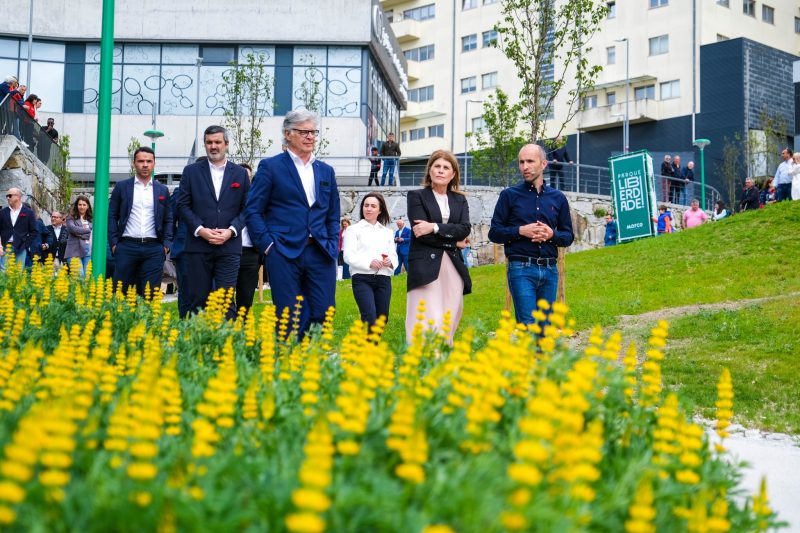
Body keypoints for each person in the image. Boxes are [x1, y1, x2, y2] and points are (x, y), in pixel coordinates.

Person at [245, 110, 340, 336]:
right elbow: (253, 210)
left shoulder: (326, 171)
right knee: (289, 314)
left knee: (324, 311)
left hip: (320, 251)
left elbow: (333, 213)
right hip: (283, 251)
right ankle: (289, 362)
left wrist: (332, 241)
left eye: (313, 132)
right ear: (288, 134)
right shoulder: (271, 167)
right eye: (303, 132)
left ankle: (314, 359)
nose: (310, 137)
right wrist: (268, 246)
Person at [489, 144, 574, 326]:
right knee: (528, 326)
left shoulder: (558, 198)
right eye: (521, 162)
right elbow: (494, 233)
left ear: (543, 164)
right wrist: (520, 231)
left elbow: (568, 237)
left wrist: (552, 234)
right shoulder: (509, 196)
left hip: (550, 270)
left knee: (545, 329)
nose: (524, 167)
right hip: (521, 269)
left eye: (530, 161)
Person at [176, 125, 250, 318]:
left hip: (229, 246)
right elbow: (183, 206)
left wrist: (231, 230)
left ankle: (228, 344)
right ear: (205, 144)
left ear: (226, 144)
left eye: (218, 142)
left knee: (226, 301)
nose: (213, 146)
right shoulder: (191, 172)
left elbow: (248, 208)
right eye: (209, 142)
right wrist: (200, 230)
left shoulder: (240, 174)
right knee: (197, 301)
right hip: (198, 246)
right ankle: (197, 344)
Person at [406, 150, 472, 343]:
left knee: (449, 316)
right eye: (437, 166)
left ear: (453, 174)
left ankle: (442, 361)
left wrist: (434, 226)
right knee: (426, 317)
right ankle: (421, 362)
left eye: (446, 168)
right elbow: (420, 234)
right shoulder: (416, 196)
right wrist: (453, 241)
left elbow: (464, 229)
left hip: (452, 266)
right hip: (425, 267)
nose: (441, 171)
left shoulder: (460, 199)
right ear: (430, 171)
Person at [108, 146, 173, 297]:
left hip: (154, 249)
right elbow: (112, 216)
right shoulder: (122, 187)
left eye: (149, 161)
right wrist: (114, 244)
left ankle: (148, 321)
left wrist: (166, 245)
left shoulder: (162, 190)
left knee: (150, 294)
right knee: (121, 293)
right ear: (134, 163)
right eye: (141, 161)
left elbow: (169, 219)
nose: (145, 164)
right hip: (126, 246)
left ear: (154, 164)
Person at [343, 192, 397, 330]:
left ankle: (370, 349)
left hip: (384, 278)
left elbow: (393, 256)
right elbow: (348, 256)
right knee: (369, 318)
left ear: (380, 210)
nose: (369, 208)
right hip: (362, 278)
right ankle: (367, 349)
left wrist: (390, 262)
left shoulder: (387, 232)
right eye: (366, 205)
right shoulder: (352, 230)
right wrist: (369, 262)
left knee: (381, 320)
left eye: (373, 206)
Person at [235, 162, 261, 314]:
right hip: (227, 251)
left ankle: (243, 332)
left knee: (246, 300)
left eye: (248, 177)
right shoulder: (224, 200)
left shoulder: (257, 201)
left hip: (250, 253)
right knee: (223, 298)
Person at [0, 188, 38, 272]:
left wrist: (25, 244)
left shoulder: (28, 212)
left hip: (21, 247)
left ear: (18, 197)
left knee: (18, 272)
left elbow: (34, 231)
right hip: (5, 246)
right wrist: (0, 246)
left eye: (10, 196)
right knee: (3, 271)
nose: (8, 198)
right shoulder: (2, 212)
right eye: (7, 196)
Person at [64, 195, 93, 277]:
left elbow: (78, 231)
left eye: (84, 205)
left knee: (87, 280)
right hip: (74, 251)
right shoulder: (71, 218)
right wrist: (88, 231)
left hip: (88, 252)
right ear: (77, 206)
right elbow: (73, 229)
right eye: (80, 204)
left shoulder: (91, 220)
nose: (82, 207)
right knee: (79, 278)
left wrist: (80, 233)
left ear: (88, 206)